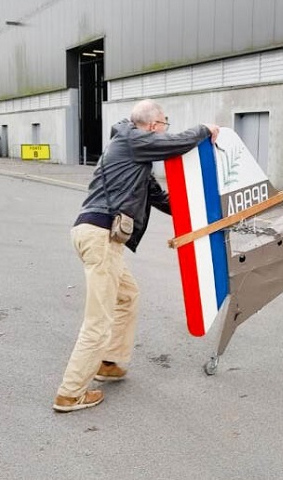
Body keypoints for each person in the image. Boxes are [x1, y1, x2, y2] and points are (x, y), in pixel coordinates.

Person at [53, 99, 219, 412]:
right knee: (98, 320)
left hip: (99, 236)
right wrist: (204, 130)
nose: (164, 130)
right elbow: (175, 144)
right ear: (154, 125)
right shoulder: (131, 140)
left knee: (127, 296)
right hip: (101, 236)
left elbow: (163, 200)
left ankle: (111, 362)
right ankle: (70, 392)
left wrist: (206, 216)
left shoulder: (135, 156)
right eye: (164, 124)